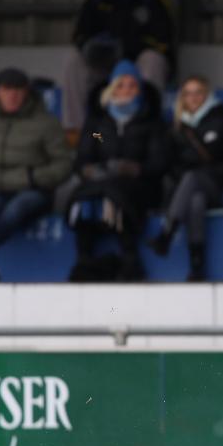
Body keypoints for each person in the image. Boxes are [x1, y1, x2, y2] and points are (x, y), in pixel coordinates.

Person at [68, 60, 168, 282]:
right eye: (120, 85)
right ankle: (84, 260)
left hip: (141, 184)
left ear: (140, 90)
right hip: (101, 183)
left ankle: (130, 258)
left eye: (132, 86)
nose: (126, 90)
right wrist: (89, 170)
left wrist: (133, 168)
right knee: (84, 197)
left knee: (116, 194)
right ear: (111, 89)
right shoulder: (98, 127)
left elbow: (159, 162)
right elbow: (86, 154)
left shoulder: (151, 123)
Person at [148, 77, 223, 281]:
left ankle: (167, 233)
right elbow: (169, 164)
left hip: (220, 185)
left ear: (207, 95)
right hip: (189, 190)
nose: (194, 97)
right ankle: (197, 266)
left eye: (198, 92)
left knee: (194, 178)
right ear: (182, 98)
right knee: (195, 200)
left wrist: (213, 171)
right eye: (188, 93)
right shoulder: (176, 128)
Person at [0, 68, 71, 282]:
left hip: (34, 190)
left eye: (17, 89)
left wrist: (34, 177)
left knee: (15, 209)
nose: (12, 95)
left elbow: (64, 164)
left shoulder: (46, 123)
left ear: (27, 92)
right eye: (6, 89)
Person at [62, 0, 175, 142]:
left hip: (136, 64)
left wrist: (125, 47)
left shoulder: (151, 0)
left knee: (153, 59)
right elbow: (80, 35)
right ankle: (76, 130)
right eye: (120, 88)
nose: (123, 91)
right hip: (103, 65)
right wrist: (93, 46)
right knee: (74, 59)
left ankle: (147, 122)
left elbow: (163, 42)